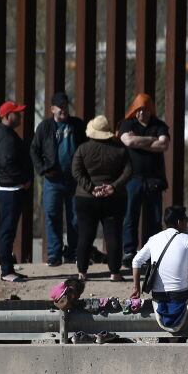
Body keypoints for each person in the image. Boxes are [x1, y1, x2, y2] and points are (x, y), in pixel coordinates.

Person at [131, 206, 188, 344]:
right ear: (179, 222)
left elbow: (136, 260)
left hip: (158, 296)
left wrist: (136, 288)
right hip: (180, 296)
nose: (187, 223)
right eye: (186, 219)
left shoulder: (154, 239)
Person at [72, 115, 132, 281]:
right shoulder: (120, 149)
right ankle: (115, 272)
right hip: (115, 198)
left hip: (86, 198)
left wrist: (91, 188)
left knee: (85, 235)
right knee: (113, 235)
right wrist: (113, 186)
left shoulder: (83, 149)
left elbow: (76, 171)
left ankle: (82, 272)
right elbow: (128, 171)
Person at [30, 91, 86, 267]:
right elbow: (34, 150)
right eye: (60, 107)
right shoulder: (45, 127)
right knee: (52, 215)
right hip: (52, 180)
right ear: (52, 108)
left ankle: (74, 253)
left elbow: (85, 148)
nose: (63, 110)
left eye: (65, 106)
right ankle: (54, 254)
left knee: (75, 217)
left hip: (74, 180)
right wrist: (42, 170)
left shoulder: (77, 125)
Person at [119, 93, 171, 265]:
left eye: (145, 110)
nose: (142, 113)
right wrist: (151, 140)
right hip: (132, 179)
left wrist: (138, 140)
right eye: (139, 110)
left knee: (154, 219)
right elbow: (128, 141)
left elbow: (163, 144)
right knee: (130, 216)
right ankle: (129, 252)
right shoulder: (127, 124)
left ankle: (151, 253)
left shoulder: (160, 125)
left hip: (153, 180)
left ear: (151, 110)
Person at [0, 100, 34, 282]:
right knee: (7, 230)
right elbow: (6, 163)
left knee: (9, 229)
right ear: (7, 116)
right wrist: (23, 180)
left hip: (12, 188)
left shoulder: (7, 134)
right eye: (16, 113)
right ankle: (6, 271)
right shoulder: (6, 137)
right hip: (10, 189)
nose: (19, 116)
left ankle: (8, 268)